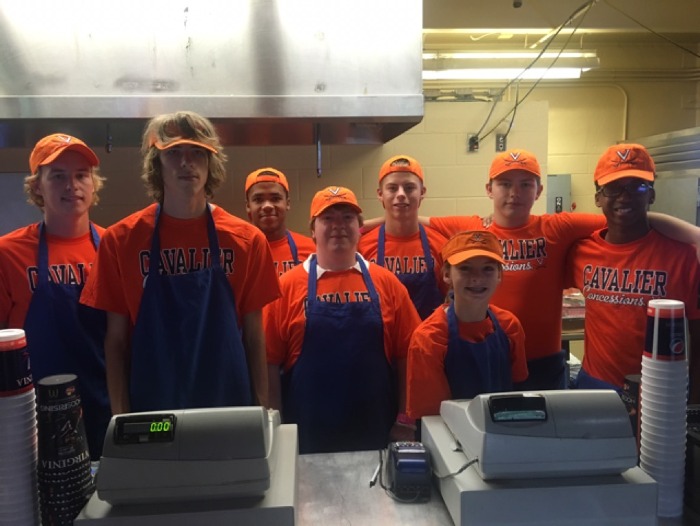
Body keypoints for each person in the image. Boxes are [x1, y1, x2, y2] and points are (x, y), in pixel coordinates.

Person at [411, 148, 696, 390]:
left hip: (544, 364)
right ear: (489, 189)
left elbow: (627, 218)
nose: (514, 193)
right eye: (505, 184)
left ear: (539, 191)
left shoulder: (558, 227)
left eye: (525, 184)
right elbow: (410, 221)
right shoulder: (470, 228)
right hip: (486, 355)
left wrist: (695, 236)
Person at [80, 111, 280, 414]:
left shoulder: (248, 240)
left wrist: (261, 413)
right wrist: (121, 420)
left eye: (197, 152)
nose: (186, 162)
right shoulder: (120, 241)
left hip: (229, 408)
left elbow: (254, 338)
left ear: (210, 162)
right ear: (156, 163)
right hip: (153, 410)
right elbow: (116, 342)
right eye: (173, 153)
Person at [265, 186, 421, 454]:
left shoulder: (388, 284)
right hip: (307, 434)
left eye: (347, 217)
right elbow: (268, 364)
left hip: (375, 431)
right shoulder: (286, 287)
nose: (338, 225)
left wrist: (405, 420)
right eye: (328, 218)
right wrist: (276, 428)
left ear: (359, 228)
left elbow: (409, 356)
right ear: (313, 230)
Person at [0, 133, 110, 459]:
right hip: (31, 418)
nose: (71, 185)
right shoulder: (7, 253)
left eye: (81, 175)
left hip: (104, 406)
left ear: (93, 184)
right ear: (37, 186)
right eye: (58, 176)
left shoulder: (113, 248)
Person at [567, 143, 700, 402]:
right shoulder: (580, 252)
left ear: (651, 195)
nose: (624, 197)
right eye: (613, 187)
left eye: (637, 186)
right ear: (598, 198)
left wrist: (695, 403)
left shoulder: (685, 257)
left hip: (661, 390)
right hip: (595, 385)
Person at [406, 230, 528, 420]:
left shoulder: (509, 326)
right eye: (465, 268)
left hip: (502, 427)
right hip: (449, 432)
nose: (477, 278)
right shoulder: (429, 338)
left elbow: (517, 389)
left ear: (499, 275)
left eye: (488, 268)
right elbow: (431, 416)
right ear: (447, 274)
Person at [358, 155, 448, 319]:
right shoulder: (362, 247)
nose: (400, 194)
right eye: (392, 188)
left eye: (409, 188)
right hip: (382, 334)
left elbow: (450, 301)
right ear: (380, 194)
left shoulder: (440, 245)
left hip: (429, 333)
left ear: (422, 192)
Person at [245, 167, 315, 276]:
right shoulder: (238, 252)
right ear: (248, 206)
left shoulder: (313, 251)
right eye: (258, 199)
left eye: (275, 198)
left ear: (287, 203)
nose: (267, 206)